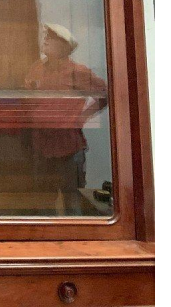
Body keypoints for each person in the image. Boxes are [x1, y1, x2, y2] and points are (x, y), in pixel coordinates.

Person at [24, 23, 108, 215]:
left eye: (51, 37)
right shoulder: (36, 68)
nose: (45, 39)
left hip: (68, 150)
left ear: (64, 46)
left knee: (72, 203)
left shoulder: (77, 71)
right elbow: (28, 99)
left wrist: (82, 118)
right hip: (41, 148)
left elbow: (104, 94)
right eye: (46, 35)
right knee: (44, 203)